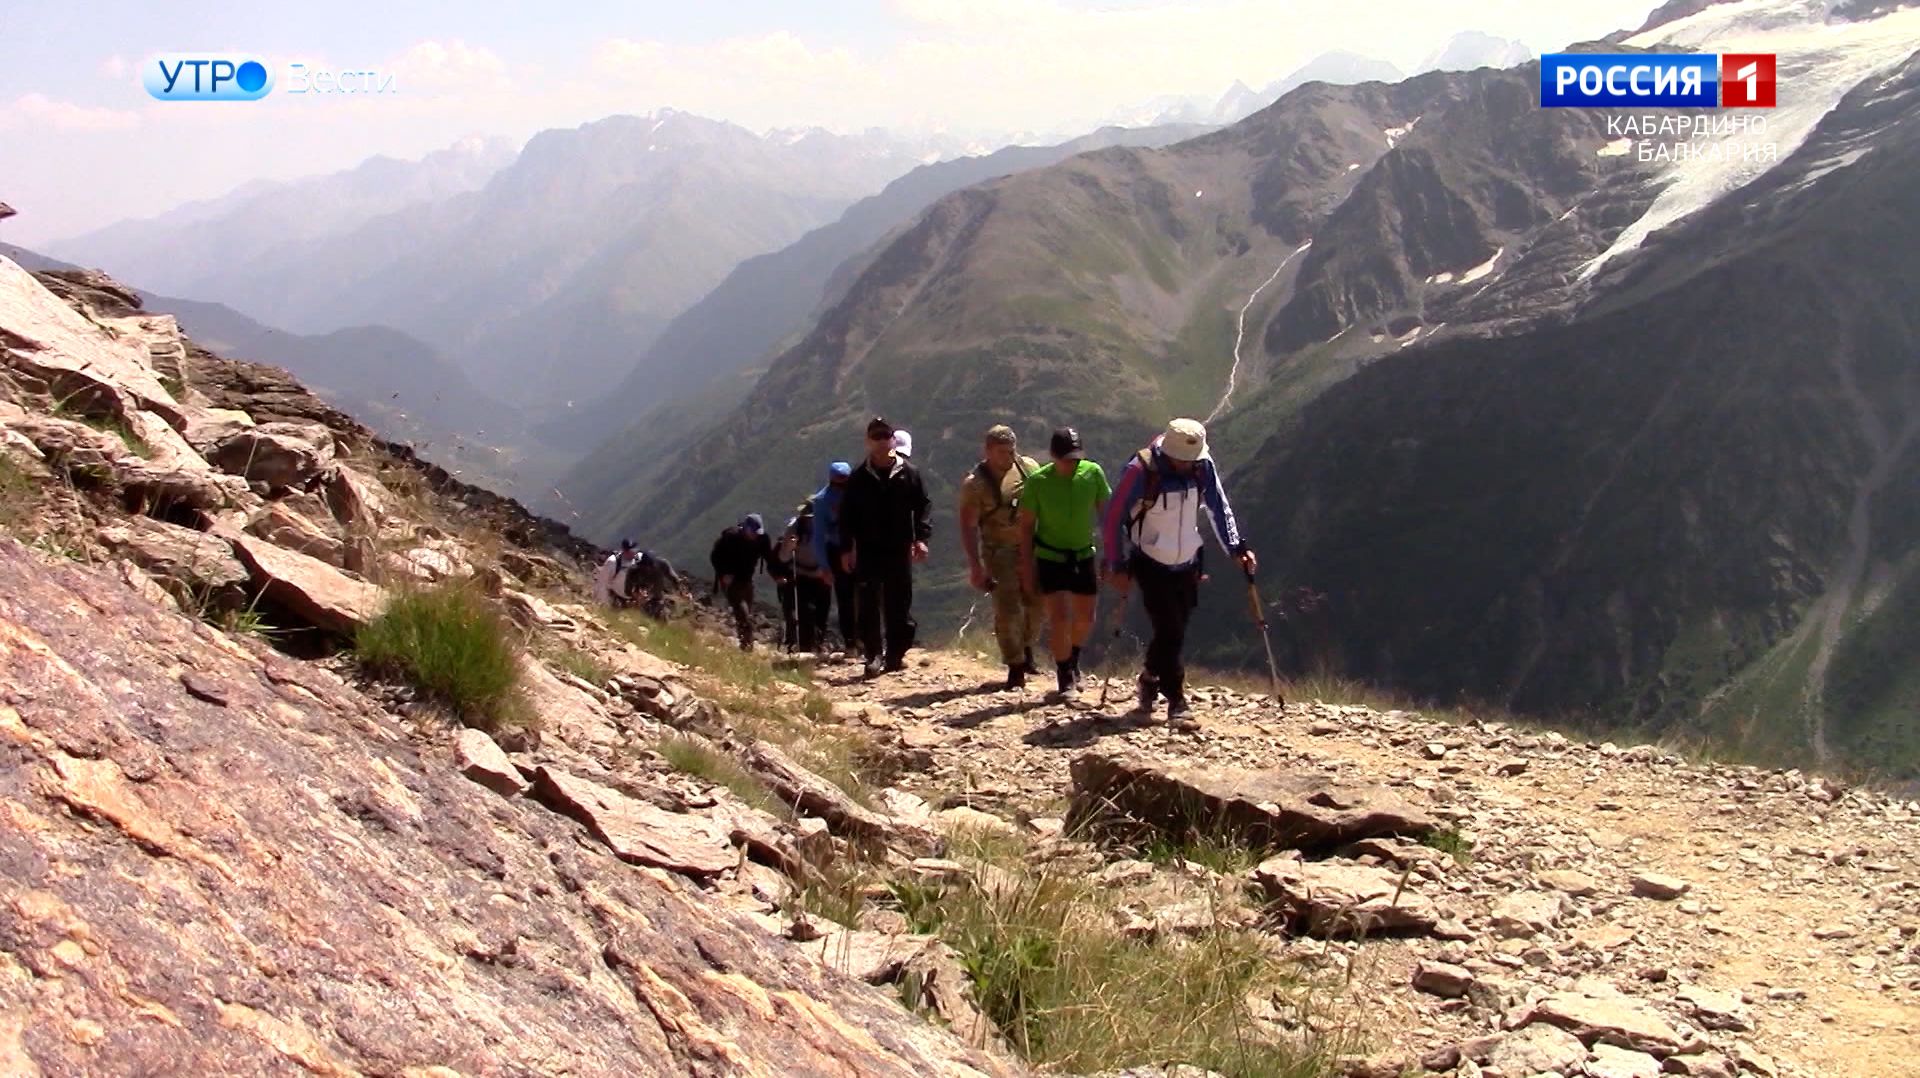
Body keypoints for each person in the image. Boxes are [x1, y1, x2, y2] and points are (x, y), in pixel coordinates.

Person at [1102, 418, 1257, 726]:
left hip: (1188, 560)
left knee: (1174, 629)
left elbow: (1218, 506)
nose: (1188, 465)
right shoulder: (1140, 470)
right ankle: (1177, 701)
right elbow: (1112, 518)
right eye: (1182, 460)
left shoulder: (1202, 465)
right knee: (1170, 628)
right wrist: (1115, 563)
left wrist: (1236, 548)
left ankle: (1149, 678)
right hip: (1149, 560)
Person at [1019, 427, 1111, 698]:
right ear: (1053, 456)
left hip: (1083, 554)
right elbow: (1025, 527)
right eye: (1066, 458)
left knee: (1085, 618)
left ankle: (1073, 658)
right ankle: (1064, 675)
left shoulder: (1092, 473)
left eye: (1075, 457)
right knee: (1059, 618)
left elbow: (1106, 515)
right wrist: (1026, 566)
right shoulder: (1038, 481)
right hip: (1050, 557)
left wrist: (1112, 554)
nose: (1072, 463)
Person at [840, 416, 931, 679]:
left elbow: (923, 506)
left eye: (885, 437)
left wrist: (921, 538)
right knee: (868, 603)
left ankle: (896, 652)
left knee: (898, 603)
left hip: (898, 547)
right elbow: (847, 516)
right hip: (868, 548)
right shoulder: (858, 477)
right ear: (868, 441)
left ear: (893, 440)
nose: (881, 442)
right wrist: (847, 548)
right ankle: (873, 655)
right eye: (876, 437)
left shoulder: (909, 473)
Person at [958, 425, 1044, 689]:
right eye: (1002, 452)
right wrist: (975, 565)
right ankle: (1015, 664)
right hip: (999, 552)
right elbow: (968, 526)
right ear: (988, 451)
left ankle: (1027, 646)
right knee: (1007, 609)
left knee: (1036, 604)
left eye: (1011, 451)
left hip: (1032, 548)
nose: (1008, 457)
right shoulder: (976, 484)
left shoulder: (1027, 468)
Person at [810, 461, 858, 655]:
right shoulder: (822, 501)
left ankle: (869, 640)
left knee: (867, 594)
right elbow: (818, 536)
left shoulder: (857, 494)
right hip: (837, 550)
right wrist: (824, 566)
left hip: (859, 549)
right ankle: (851, 643)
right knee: (845, 598)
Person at [710, 514, 776, 651]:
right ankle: (747, 646)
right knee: (742, 612)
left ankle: (745, 641)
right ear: (745, 528)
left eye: (757, 533)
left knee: (747, 612)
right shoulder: (730, 538)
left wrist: (779, 573)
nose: (755, 536)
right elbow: (715, 557)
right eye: (753, 532)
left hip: (747, 579)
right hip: (731, 580)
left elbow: (770, 558)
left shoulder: (762, 540)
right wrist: (723, 574)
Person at [784, 500, 833, 653]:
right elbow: (783, 557)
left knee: (822, 612)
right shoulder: (794, 528)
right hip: (802, 575)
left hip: (822, 575)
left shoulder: (828, 527)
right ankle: (806, 646)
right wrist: (788, 546)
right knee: (806, 612)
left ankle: (818, 643)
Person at [768, 513, 800, 651]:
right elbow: (771, 566)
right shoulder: (780, 546)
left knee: (802, 614)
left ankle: (804, 642)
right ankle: (791, 642)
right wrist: (778, 578)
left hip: (801, 586)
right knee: (790, 614)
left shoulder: (804, 546)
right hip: (786, 586)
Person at [593, 539, 641, 607]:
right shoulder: (613, 562)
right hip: (615, 599)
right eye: (631, 551)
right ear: (624, 550)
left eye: (635, 550)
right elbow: (602, 583)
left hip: (630, 601)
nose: (634, 553)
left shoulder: (637, 560)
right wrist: (603, 603)